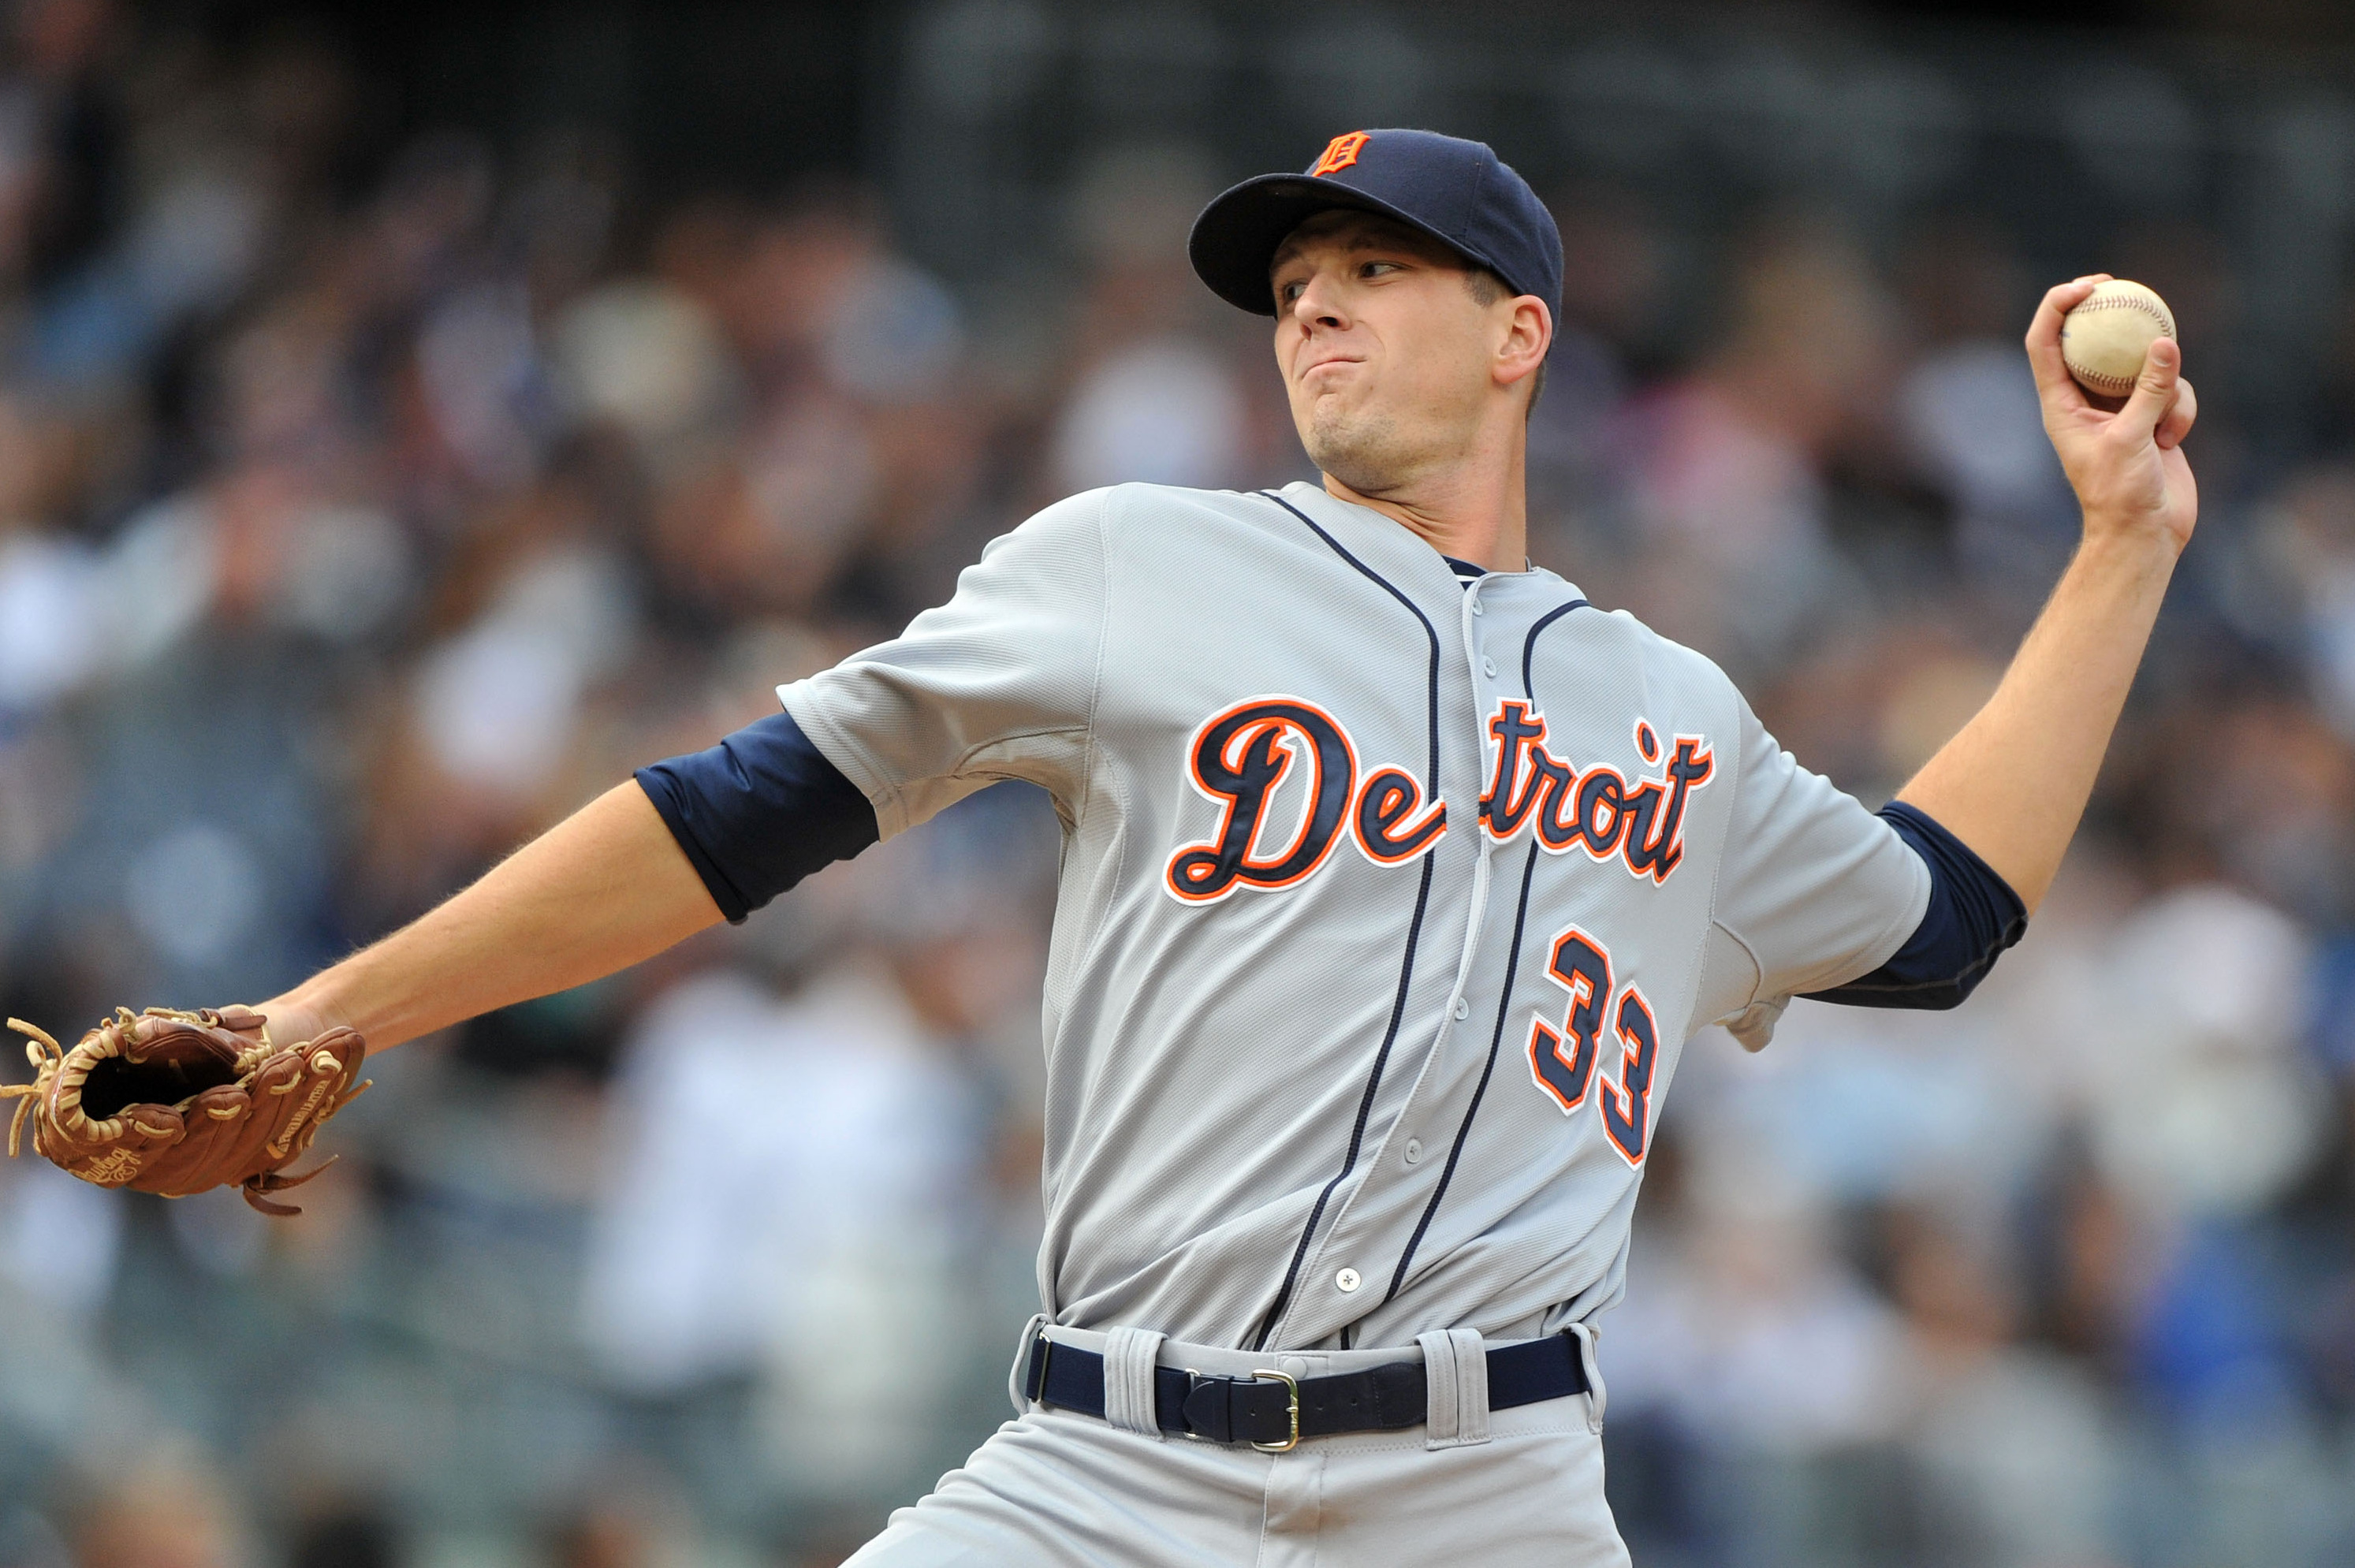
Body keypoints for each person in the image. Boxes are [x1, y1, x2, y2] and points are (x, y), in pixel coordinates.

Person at [244, 130, 2194, 1563]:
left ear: (1520, 331)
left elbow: (1939, 920)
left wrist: (2121, 548)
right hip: (1101, 1470)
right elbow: (742, 809)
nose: (1315, 302)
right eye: (1292, 284)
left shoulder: (1672, 708)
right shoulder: (1138, 562)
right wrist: (332, 1013)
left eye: (1372, 265)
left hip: (1483, 1499)